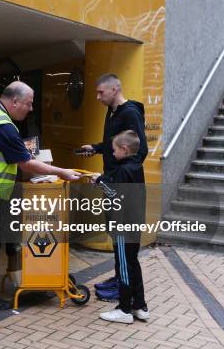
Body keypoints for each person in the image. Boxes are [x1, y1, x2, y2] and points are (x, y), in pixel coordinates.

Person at [0, 81, 81, 310]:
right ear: (14, 102)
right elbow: (26, 164)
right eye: (28, 104)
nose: (31, 108)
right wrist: (61, 172)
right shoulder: (3, 127)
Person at [79, 73, 147, 300]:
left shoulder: (130, 113)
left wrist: (118, 178)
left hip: (122, 189)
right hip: (112, 185)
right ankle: (120, 278)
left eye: (101, 92)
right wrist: (97, 148)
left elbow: (140, 150)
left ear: (115, 89)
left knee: (124, 238)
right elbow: (116, 144)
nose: (98, 97)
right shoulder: (113, 111)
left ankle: (124, 288)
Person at [91, 130, 148, 324]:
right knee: (133, 263)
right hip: (135, 223)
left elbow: (115, 195)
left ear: (124, 149)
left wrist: (99, 181)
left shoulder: (123, 170)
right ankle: (139, 306)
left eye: (114, 150)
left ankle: (124, 309)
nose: (112, 153)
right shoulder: (135, 167)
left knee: (124, 266)